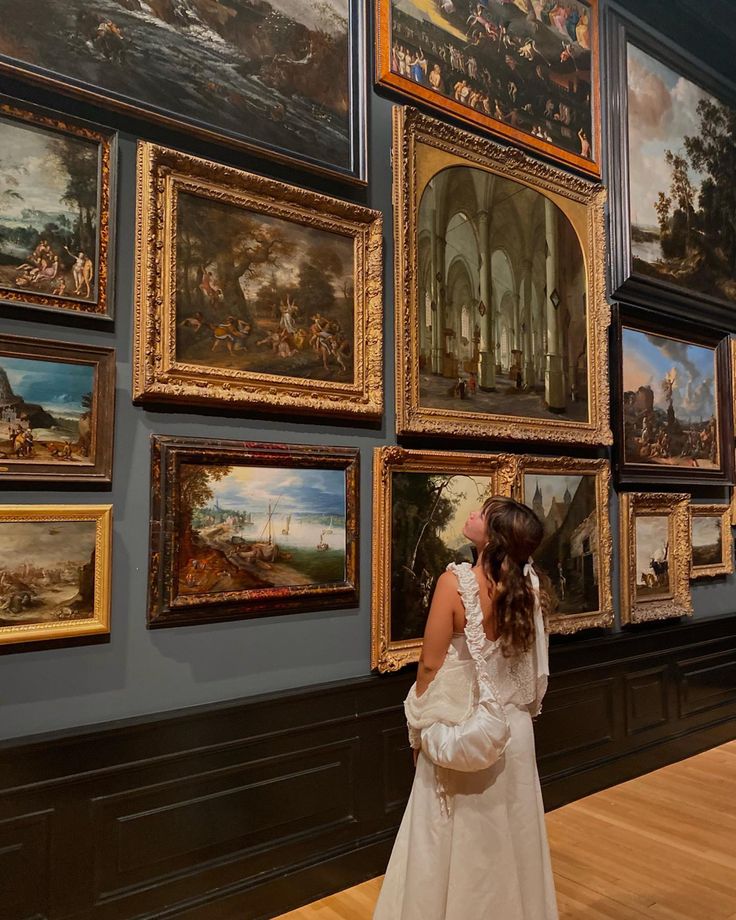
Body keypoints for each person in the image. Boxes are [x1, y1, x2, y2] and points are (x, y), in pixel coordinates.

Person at [373, 497, 558, 920]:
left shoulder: (453, 583)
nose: (471, 515)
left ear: (492, 538)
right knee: (514, 838)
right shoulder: (529, 586)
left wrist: (418, 728)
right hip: (513, 732)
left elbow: (430, 663)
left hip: (462, 730)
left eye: (481, 514)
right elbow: (535, 671)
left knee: (452, 840)